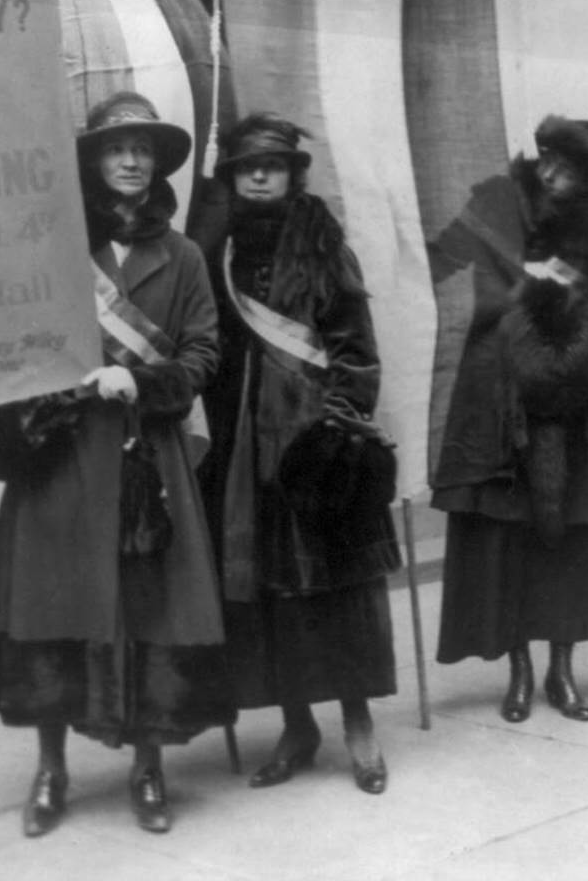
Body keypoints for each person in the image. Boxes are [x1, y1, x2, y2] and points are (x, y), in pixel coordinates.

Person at [0, 91, 233, 837]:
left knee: (148, 608)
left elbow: (205, 351)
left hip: (149, 459)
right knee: (52, 606)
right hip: (62, 456)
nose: (132, 161)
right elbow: (14, 339)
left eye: (143, 149)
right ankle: (52, 772)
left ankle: (148, 771)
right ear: (94, 161)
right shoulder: (47, 249)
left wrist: (142, 381)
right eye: (117, 148)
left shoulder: (184, 257)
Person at [197, 112, 401, 796]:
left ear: (291, 173)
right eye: (247, 166)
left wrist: (339, 427)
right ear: (232, 177)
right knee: (271, 591)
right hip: (246, 446)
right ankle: (296, 726)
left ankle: (358, 723)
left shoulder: (322, 242)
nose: (259, 175)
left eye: (273, 165)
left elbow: (355, 345)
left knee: (337, 586)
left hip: (314, 442)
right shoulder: (215, 249)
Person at [431, 116, 588, 723]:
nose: (552, 174)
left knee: (571, 536)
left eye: (570, 169)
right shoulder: (495, 204)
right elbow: (441, 270)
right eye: (548, 159)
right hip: (498, 394)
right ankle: (518, 669)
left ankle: (563, 669)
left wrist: (584, 332)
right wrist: (528, 287)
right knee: (508, 534)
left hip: (577, 397)